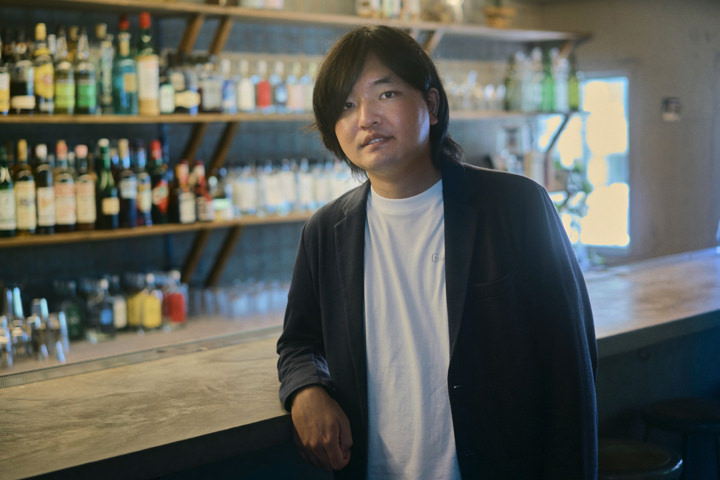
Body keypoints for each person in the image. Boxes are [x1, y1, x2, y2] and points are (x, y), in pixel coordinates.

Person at [277, 25, 598, 480]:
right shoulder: (325, 231)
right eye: (346, 106)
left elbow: (570, 367)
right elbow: (299, 342)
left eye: (386, 94)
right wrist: (306, 390)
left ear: (430, 103)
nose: (366, 117)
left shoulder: (516, 206)